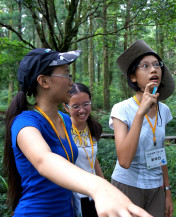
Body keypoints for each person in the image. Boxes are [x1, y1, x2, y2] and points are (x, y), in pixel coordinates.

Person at [4, 48, 151, 217]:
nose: (71, 83)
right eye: (66, 75)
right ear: (44, 81)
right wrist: (99, 187)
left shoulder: (65, 119)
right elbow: (44, 160)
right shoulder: (25, 123)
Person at [109, 40, 175, 217]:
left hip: (156, 187)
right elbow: (124, 160)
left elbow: (160, 152)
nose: (153, 70)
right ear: (133, 77)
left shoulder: (164, 110)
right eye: (145, 66)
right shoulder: (121, 109)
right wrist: (140, 113)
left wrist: (167, 191)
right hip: (127, 186)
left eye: (156, 65)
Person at [64, 83, 104, 217]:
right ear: (66, 107)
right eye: (75, 106)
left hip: (95, 191)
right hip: (77, 194)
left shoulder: (92, 127)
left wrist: (105, 186)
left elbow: (93, 159)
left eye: (86, 104)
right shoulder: (64, 132)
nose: (82, 110)